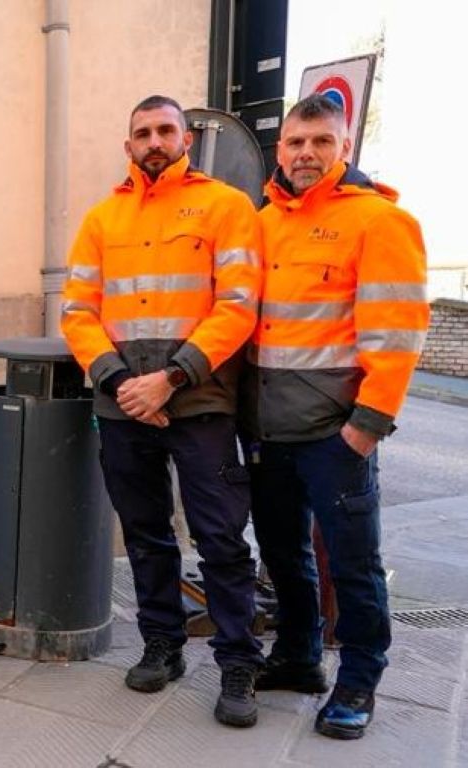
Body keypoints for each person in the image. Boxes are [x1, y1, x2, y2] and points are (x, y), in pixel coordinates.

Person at [61, 95, 264, 727]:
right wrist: (123, 382)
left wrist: (170, 379)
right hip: (124, 406)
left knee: (220, 538)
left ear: (185, 139)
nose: (154, 141)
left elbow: (238, 305)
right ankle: (162, 645)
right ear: (128, 146)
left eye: (165, 130)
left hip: (199, 401)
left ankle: (237, 662)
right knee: (146, 535)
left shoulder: (226, 208)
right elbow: (77, 312)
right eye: (142, 132)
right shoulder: (102, 219)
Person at [241, 93, 429, 740]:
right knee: (281, 553)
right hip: (268, 430)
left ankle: (358, 679)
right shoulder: (263, 221)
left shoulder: (378, 222)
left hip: (335, 434)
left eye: (320, 142)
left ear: (342, 149)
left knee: (352, 562)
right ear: (279, 148)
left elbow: (399, 334)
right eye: (295, 142)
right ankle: (297, 656)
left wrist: (365, 426)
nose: (304, 154)